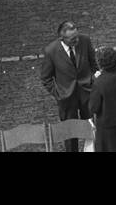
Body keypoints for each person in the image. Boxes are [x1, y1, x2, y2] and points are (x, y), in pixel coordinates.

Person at [39, 21, 98, 151]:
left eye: (77, 36)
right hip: (66, 97)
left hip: (86, 92)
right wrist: (58, 93)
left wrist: (93, 81)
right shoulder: (51, 51)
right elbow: (46, 78)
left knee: (91, 127)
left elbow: (93, 63)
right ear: (62, 38)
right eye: (73, 39)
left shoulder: (85, 41)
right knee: (70, 132)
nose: (77, 40)